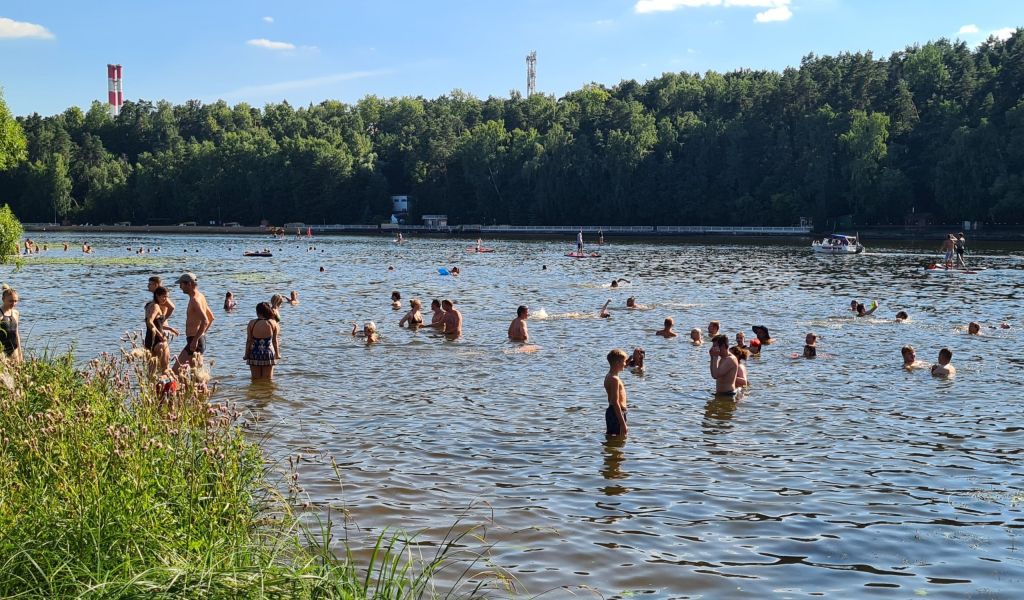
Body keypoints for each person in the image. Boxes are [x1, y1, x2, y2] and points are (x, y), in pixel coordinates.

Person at [174, 273, 214, 373]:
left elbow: (205, 320)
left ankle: (198, 388)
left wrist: (196, 339)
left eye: (181, 284)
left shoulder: (195, 300)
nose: (180, 287)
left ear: (189, 284)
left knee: (177, 370)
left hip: (194, 340)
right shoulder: (201, 296)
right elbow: (211, 318)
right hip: (196, 339)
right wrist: (201, 335)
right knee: (193, 373)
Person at [144, 286, 179, 374]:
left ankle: (151, 387)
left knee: (151, 372)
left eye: (167, 297)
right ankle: (168, 387)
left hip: (149, 341)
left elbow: (156, 324)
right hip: (159, 341)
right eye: (163, 296)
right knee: (165, 370)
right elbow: (150, 322)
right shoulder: (156, 307)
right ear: (157, 295)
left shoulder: (149, 305)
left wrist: (170, 328)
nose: (165, 299)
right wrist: (159, 334)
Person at [244, 302, 280, 380]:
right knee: (268, 380)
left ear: (257, 312)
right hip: (268, 353)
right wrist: (277, 354)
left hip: (254, 353)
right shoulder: (273, 323)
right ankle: (266, 392)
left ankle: (256, 392)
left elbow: (249, 341)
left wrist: (246, 354)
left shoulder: (251, 323)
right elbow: (274, 341)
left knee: (255, 379)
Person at [604, 349, 628, 437]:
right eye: (624, 362)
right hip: (617, 413)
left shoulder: (609, 376)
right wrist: (622, 423)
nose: (625, 364)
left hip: (613, 412)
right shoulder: (614, 379)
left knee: (612, 438)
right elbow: (615, 402)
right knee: (619, 439)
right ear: (618, 362)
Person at [0, 285, 23, 363]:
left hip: (14, 350)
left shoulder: (16, 313)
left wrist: (20, 354)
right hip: (2, 351)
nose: (13, 303)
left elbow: (16, 334)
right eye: (11, 301)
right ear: (3, 299)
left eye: (15, 301)